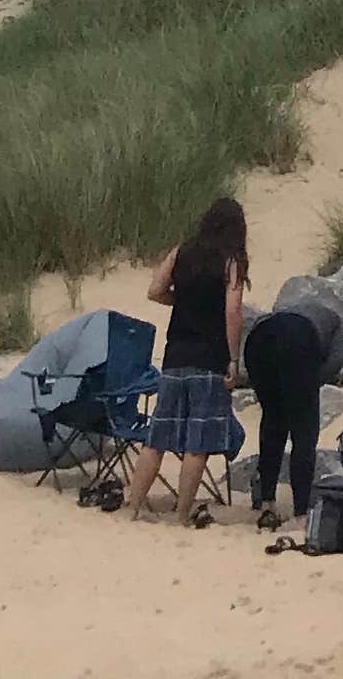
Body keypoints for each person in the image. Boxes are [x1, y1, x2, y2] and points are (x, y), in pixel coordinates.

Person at [130, 196, 249, 523]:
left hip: (175, 357)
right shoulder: (231, 261)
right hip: (209, 360)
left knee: (156, 440)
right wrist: (233, 359)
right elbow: (233, 312)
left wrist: (181, 301)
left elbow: (155, 290)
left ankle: (132, 508)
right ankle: (181, 514)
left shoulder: (181, 252)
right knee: (197, 445)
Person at [246, 273, 343, 534]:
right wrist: (307, 389)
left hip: (258, 340)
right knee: (304, 434)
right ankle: (300, 513)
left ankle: (266, 501)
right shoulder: (336, 323)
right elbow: (334, 365)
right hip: (298, 342)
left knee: (272, 422)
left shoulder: (293, 310)